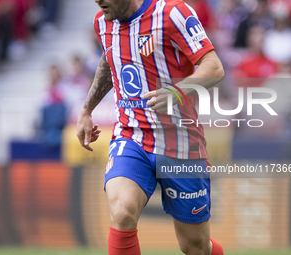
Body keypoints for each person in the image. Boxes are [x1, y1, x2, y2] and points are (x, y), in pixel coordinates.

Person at [77, 0, 224, 254]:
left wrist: (176, 93)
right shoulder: (103, 21)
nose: (98, 1)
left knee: (195, 247)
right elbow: (108, 58)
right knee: (122, 211)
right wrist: (87, 109)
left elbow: (214, 68)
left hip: (179, 142)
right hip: (130, 135)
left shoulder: (172, 13)